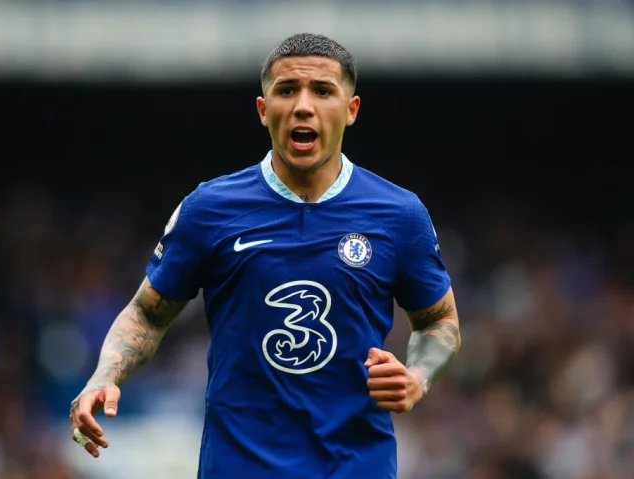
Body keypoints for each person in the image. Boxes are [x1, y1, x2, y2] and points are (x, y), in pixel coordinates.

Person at [69, 32, 462, 479]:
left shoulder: (399, 214)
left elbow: (439, 321)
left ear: (351, 111)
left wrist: (419, 375)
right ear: (263, 110)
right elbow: (146, 314)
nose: (303, 106)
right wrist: (104, 376)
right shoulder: (209, 209)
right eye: (287, 90)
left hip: (355, 467)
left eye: (323, 91)